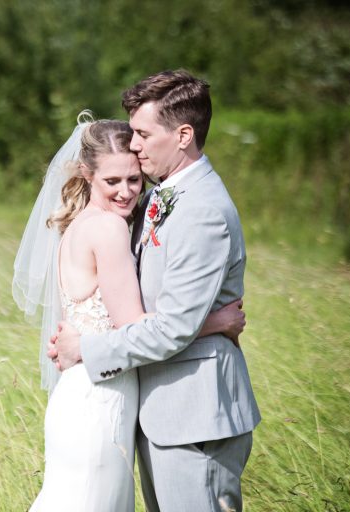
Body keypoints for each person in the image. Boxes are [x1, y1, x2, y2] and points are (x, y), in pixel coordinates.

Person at [49, 70, 261, 511]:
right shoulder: (156, 199)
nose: (136, 144)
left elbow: (171, 330)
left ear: (183, 135)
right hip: (157, 410)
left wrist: (87, 348)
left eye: (144, 134)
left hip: (195, 415)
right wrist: (215, 321)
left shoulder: (201, 209)